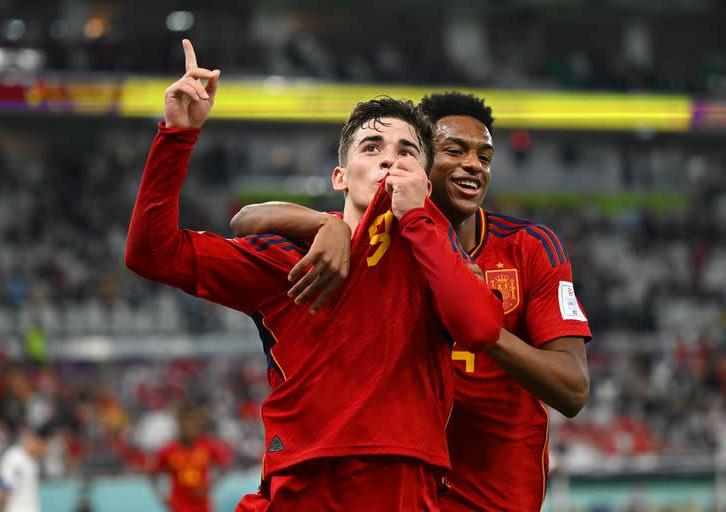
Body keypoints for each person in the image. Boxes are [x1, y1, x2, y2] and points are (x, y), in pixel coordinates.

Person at [125, 40, 503, 511]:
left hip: (401, 488)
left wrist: (420, 220)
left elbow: (481, 329)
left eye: (407, 151)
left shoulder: (440, 262)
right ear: (340, 177)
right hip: (299, 488)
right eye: (372, 147)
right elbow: (151, 254)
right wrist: (177, 136)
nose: (389, 158)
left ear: (425, 181)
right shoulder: (287, 258)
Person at [231, 91, 593, 511]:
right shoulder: (365, 242)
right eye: (453, 151)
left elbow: (573, 389)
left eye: (484, 156)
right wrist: (321, 224)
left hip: (494, 501)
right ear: (415, 165)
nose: (473, 165)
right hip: (395, 492)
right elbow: (246, 220)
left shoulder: (529, 248)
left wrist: (473, 317)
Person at [150, 404, 232, 512]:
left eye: (195, 425)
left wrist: (208, 486)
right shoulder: (168, 450)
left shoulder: (207, 446)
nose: (192, 429)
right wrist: (162, 496)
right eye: (188, 425)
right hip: (178, 506)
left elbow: (224, 466)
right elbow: (153, 474)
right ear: (180, 426)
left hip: (202, 506)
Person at [0, 422, 56, 512]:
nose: (46, 451)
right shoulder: (13, 458)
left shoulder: (33, 462)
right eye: (46, 446)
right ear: (39, 442)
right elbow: (4, 491)